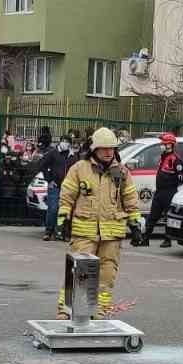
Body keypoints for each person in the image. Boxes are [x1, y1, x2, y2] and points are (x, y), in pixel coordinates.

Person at [54, 127, 142, 320]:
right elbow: (67, 196)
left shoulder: (121, 172)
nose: (108, 152)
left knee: (107, 273)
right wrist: (62, 220)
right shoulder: (79, 169)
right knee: (78, 270)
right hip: (85, 230)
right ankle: (65, 310)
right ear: (94, 149)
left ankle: (99, 310)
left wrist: (135, 225)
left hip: (112, 232)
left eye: (111, 148)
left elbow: (130, 200)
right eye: (103, 148)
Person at [140, 133, 183, 248]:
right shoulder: (163, 157)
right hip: (159, 192)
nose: (161, 145)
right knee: (152, 216)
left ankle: (167, 240)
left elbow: (180, 178)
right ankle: (145, 239)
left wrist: (170, 184)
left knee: (168, 217)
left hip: (169, 192)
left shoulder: (175, 159)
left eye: (164, 144)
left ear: (170, 145)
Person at [30, 132, 71, 241]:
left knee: (64, 210)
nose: (65, 144)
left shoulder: (71, 155)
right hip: (55, 186)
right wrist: (49, 180)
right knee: (52, 209)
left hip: (68, 188)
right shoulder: (53, 153)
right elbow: (41, 165)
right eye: (64, 141)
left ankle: (61, 232)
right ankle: (49, 231)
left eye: (68, 142)